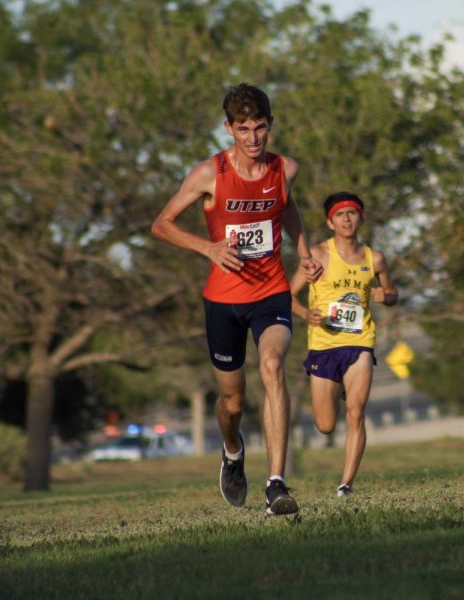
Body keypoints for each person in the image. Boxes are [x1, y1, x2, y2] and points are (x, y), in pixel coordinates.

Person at [151, 83, 322, 514]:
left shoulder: (285, 169)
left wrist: (302, 250)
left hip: (270, 293)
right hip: (223, 301)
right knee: (231, 403)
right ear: (228, 128)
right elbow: (163, 224)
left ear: (270, 126)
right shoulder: (209, 174)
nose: (253, 138)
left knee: (272, 365)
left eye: (260, 128)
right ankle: (232, 452)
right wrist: (208, 248)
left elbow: (286, 207)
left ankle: (277, 485)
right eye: (243, 129)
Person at [290, 192, 398, 496]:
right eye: (340, 214)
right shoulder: (317, 256)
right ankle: (336, 388)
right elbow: (288, 295)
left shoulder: (374, 258)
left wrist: (386, 296)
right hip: (324, 346)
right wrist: (304, 314)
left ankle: (346, 484)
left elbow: (391, 293)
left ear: (361, 218)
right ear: (330, 221)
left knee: (356, 412)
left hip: (359, 341)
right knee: (325, 425)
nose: (347, 219)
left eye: (352, 213)